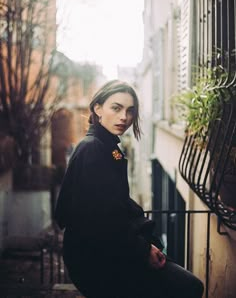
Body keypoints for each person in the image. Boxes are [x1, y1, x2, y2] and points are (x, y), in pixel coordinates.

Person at [55, 80, 204, 298]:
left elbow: (117, 205)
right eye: (116, 108)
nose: (124, 117)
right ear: (98, 108)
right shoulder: (93, 149)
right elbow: (99, 219)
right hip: (95, 261)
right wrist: (143, 250)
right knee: (189, 287)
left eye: (130, 111)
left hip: (108, 250)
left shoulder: (108, 146)